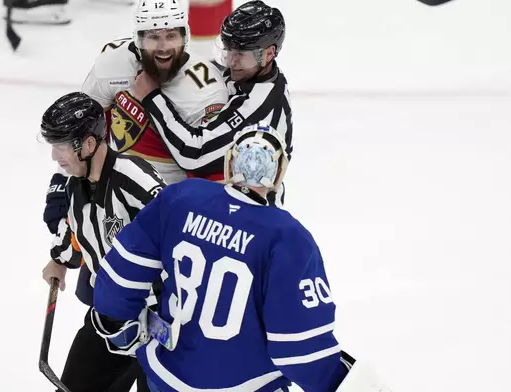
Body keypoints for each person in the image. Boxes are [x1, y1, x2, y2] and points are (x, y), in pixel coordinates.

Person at [91, 122, 392, 391]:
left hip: (167, 378)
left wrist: (119, 326)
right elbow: (299, 350)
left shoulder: (182, 198)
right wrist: (339, 382)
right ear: (279, 172)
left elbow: (120, 275)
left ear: (230, 162)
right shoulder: (288, 237)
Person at [42, 0, 229, 268]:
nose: (164, 47)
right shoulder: (111, 65)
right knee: (98, 293)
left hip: (169, 215)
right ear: (138, 39)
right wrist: (63, 186)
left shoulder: (206, 90)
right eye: (153, 37)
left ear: (185, 36)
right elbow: (81, 132)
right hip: (112, 205)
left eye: (171, 35)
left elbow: (210, 172)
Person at [39, 92, 166, 392]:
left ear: (89, 144)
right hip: (110, 317)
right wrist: (60, 259)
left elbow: (177, 242)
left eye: (60, 146)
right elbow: (79, 233)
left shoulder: (134, 179)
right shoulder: (76, 187)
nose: (55, 157)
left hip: (160, 325)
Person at [132, 0, 293, 206]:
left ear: (269, 54)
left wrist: (152, 97)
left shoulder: (259, 104)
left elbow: (194, 154)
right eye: (228, 50)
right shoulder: (250, 74)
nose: (231, 62)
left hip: (246, 219)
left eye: (240, 54)